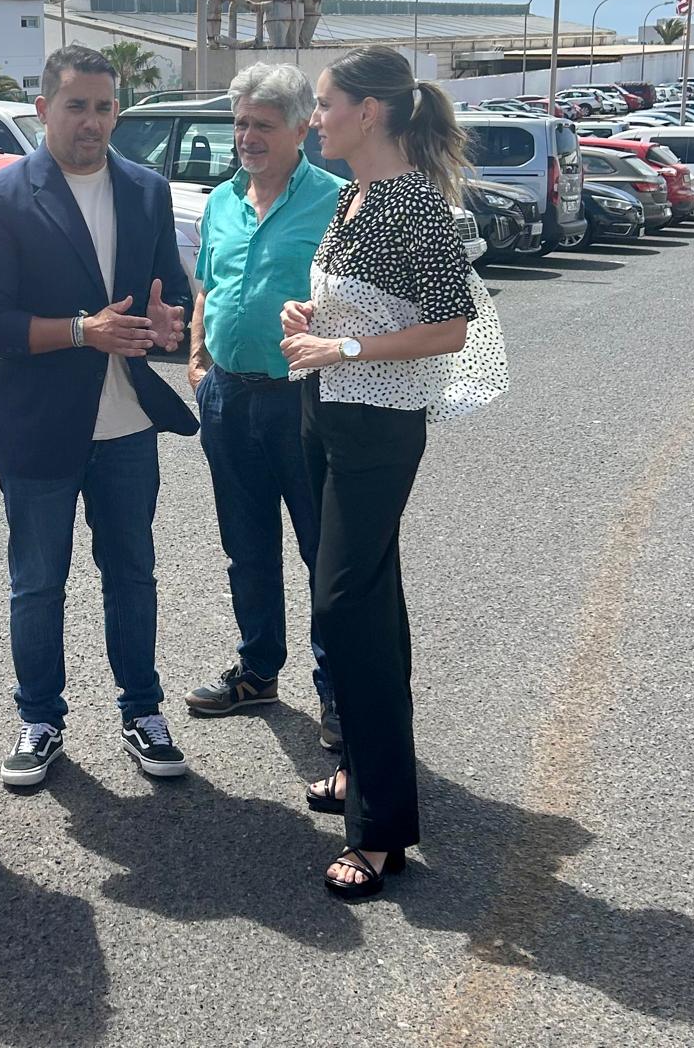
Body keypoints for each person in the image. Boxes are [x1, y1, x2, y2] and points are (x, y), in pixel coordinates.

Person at [280, 46, 506, 901]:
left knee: (346, 607)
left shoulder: (417, 206)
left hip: (377, 425)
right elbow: (359, 307)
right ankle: (367, 776)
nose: (317, 118)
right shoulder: (352, 195)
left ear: (369, 112)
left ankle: (380, 834)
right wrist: (314, 316)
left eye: (326, 104)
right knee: (363, 602)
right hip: (325, 410)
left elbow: (449, 327)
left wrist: (343, 343)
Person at [0, 45, 198, 788]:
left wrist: (169, 323)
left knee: (133, 574)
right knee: (38, 582)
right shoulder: (1, 197)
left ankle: (142, 711)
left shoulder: (146, 190)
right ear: (42, 111)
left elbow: (175, 297)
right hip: (37, 427)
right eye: (76, 106)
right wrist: (80, 330)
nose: (92, 122)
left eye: (103, 107)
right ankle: (40, 719)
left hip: (126, 426)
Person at [183, 64, 346, 750]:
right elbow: (208, 287)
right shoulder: (222, 200)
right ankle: (258, 670)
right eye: (240, 122)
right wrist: (198, 360)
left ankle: (339, 694)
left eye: (262, 125)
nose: (247, 136)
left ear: (303, 128)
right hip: (226, 394)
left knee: (322, 550)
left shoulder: (340, 201)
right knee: (245, 545)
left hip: (304, 401)